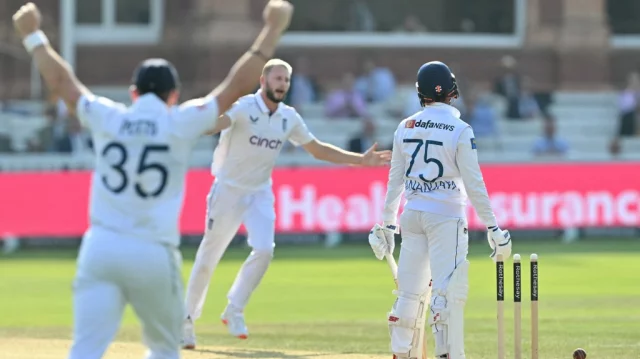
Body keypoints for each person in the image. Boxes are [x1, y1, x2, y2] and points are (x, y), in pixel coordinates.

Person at [12, 1, 295, 358]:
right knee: (163, 349)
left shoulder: (108, 117)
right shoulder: (179, 121)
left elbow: (62, 83)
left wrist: (33, 36)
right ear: (173, 95)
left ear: (133, 93)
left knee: (85, 348)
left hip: (100, 248)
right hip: (153, 252)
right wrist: (272, 29)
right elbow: (236, 86)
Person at [182, 58, 392, 349]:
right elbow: (213, 125)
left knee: (265, 250)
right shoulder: (244, 107)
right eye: (278, 79)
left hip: (260, 192)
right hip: (228, 190)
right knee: (208, 258)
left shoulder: (288, 117)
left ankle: (234, 308)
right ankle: (186, 322)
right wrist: (195, 115)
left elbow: (317, 149)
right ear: (263, 81)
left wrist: (360, 160)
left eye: (286, 80)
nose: (282, 84)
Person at [367, 61, 512, 359]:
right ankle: (449, 355)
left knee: (408, 294)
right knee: (447, 295)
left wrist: (386, 225)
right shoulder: (460, 129)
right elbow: (474, 183)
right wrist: (493, 228)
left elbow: (394, 180)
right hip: (446, 217)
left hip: (413, 215)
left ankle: (402, 354)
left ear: (421, 92)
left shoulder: (404, 127)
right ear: (451, 91)